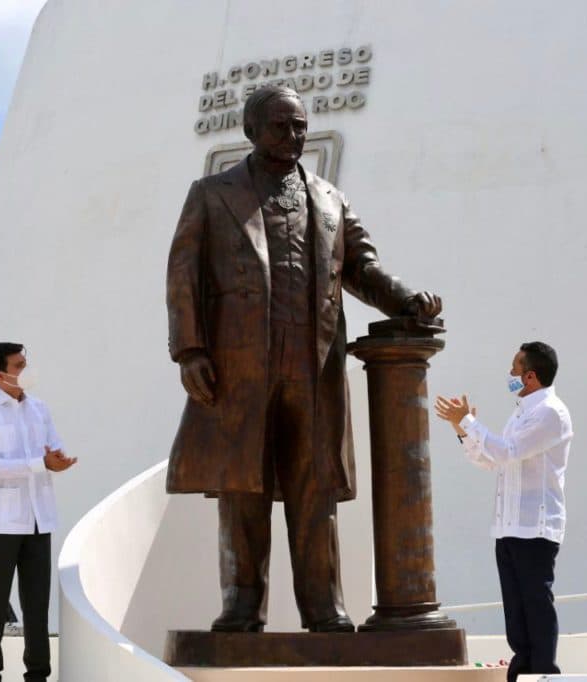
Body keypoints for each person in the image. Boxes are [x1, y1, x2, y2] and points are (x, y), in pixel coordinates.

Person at [165, 84, 442, 633]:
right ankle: (242, 605)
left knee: (314, 490)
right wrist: (190, 350)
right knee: (242, 489)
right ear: (251, 130)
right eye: (280, 125)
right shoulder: (212, 194)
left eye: (299, 126)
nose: (292, 135)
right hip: (240, 368)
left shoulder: (330, 198)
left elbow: (362, 269)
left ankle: (323, 607)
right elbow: (182, 276)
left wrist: (407, 299)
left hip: (315, 368)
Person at [434, 341, 572, 682]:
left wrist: (469, 422)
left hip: (535, 527)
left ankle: (544, 674)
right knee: (516, 613)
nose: (509, 374)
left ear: (530, 376)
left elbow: (508, 451)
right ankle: (521, 672)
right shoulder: (521, 412)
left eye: (515, 368)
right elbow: (491, 459)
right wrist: (462, 429)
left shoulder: (551, 412)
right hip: (508, 527)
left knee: (536, 608)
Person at [0, 342, 76, 682]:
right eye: (19, 366)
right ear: (1, 376)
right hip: (0, 523)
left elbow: (55, 447)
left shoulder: (39, 408)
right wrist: (39, 463)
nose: (27, 370)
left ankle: (38, 674)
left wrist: (59, 461)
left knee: (37, 604)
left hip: (40, 519)